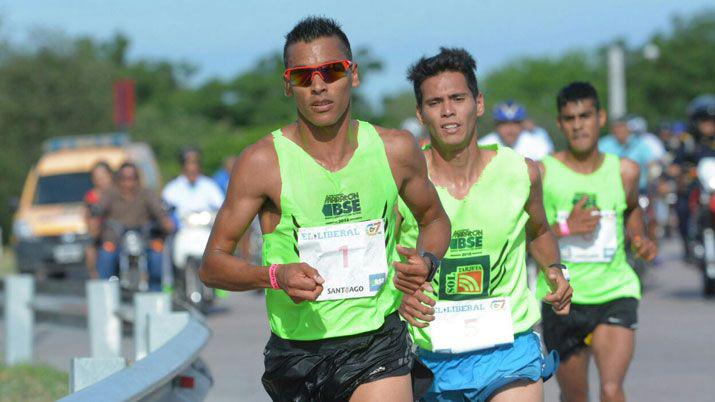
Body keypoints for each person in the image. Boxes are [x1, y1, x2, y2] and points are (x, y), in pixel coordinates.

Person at [198, 17, 451, 402]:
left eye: (331, 71)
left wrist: (428, 262)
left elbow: (434, 219)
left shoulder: (395, 150)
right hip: (298, 354)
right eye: (303, 76)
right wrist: (276, 275)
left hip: (378, 343)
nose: (318, 85)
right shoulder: (263, 162)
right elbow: (212, 264)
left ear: (353, 75)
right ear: (288, 85)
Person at [396, 47, 571, 402]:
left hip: (508, 348)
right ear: (420, 113)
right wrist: (399, 296)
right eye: (435, 102)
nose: (447, 111)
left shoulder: (523, 172)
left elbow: (538, 230)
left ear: (478, 103)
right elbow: (378, 259)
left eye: (457, 98)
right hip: (429, 355)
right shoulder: (402, 181)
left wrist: (554, 269)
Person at [537, 82, 657, 402]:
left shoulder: (625, 172)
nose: (578, 125)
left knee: (611, 388)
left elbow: (631, 209)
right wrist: (566, 226)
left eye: (585, 116)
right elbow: (527, 231)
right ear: (560, 123)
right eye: (570, 118)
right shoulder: (543, 173)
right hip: (562, 298)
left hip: (614, 290)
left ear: (600, 118)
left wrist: (639, 237)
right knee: (575, 396)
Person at [95, 162, 174, 291]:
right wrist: (95, 218)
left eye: (132, 178)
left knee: (157, 254)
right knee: (106, 255)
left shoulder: (146, 193)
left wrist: (165, 221)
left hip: (144, 239)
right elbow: (99, 209)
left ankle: (156, 293)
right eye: (124, 179)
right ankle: (106, 292)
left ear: (137, 179)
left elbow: (158, 209)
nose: (128, 183)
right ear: (118, 180)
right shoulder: (110, 194)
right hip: (117, 239)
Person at [163, 148, 225, 221]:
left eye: (195, 162)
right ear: (183, 165)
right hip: (182, 229)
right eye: (189, 162)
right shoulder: (171, 188)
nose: (192, 166)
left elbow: (220, 205)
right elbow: (166, 208)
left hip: (206, 229)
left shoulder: (210, 185)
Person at [479, 100, 553, 160]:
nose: (510, 129)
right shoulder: (483, 146)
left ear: (522, 125)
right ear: (496, 126)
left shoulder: (538, 145)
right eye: (504, 124)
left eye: (515, 123)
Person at [84, 161, 114, 279]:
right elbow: (89, 218)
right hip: (101, 236)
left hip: (119, 234)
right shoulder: (92, 197)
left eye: (103, 177)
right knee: (91, 253)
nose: (101, 181)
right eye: (97, 178)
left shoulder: (118, 193)